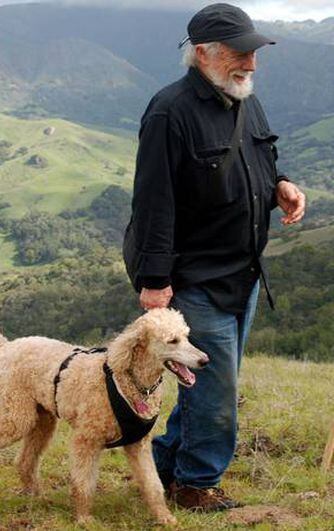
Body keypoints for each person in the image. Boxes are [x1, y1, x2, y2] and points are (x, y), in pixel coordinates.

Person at [123, 3, 306, 512]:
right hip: (193, 278)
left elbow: (262, 160)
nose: (251, 64)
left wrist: (282, 187)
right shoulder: (169, 112)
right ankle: (196, 484)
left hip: (242, 274)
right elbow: (153, 203)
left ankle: (167, 464)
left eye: (253, 53)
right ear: (203, 53)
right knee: (219, 391)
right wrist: (156, 281)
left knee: (204, 381)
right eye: (240, 53)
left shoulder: (244, 98)